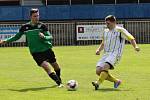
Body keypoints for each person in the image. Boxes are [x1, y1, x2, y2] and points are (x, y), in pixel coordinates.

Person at [0, 8, 63, 87]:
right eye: (35, 16)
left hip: (47, 49)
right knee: (46, 67)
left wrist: (44, 37)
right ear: (30, 16)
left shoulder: (42, 26)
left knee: (56, 66)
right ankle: (59, 83)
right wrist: (5, 41)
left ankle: (59, 78)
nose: (37, 17)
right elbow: (16, 37)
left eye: (38, 16)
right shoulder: (25, 27)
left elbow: (50, 37)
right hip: (35, 52)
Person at [92, 15, 140, 90]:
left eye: (108, 23)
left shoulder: (120, 30)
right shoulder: (105, 31)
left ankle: (98, 83)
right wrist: (98, 50)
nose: (107, 25)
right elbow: (103, 43)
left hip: (115, 54)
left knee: (105, 67)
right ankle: (116, 81)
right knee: (98, 71)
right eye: (106, 23)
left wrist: (135, 47)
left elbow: (131, 38)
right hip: (106, 54)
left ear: (114, 22)